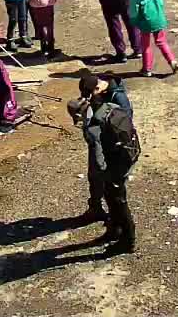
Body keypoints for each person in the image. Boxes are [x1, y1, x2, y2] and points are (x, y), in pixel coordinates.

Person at [70, 72, 138, 253]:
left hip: (116, 162)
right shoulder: (107, 105)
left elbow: (101, 145)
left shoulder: (110, 108)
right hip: (118, 158)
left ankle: (127, 242)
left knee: (119, 202)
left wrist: (103, 172)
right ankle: (114, 230)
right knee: (113, 199)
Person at [124, 0, 178, 77]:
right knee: (161, 42)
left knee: (146, 45)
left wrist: (133, 20)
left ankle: (147, 69)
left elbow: (133, 11)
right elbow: (161, 2)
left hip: (145, 22)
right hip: (158, 18)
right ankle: (172, 61)